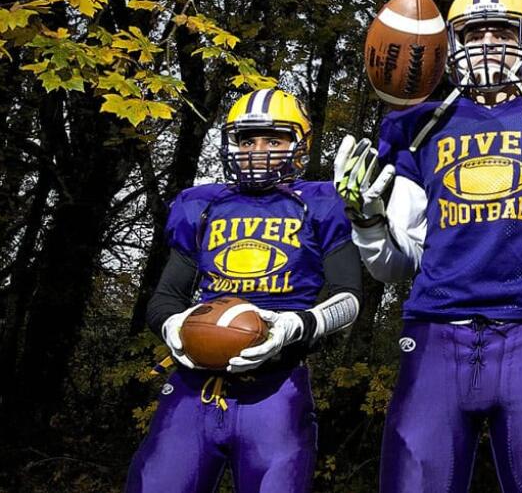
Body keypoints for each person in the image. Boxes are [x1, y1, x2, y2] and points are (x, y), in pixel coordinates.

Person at [334, 0, 522, 493]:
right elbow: (397, 263)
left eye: (502, 30)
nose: (489, 42)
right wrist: (366, 222)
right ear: (450, 44)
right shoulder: (422, 125)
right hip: (434, 334)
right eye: (475, 31)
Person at [128, 88, 362, 493]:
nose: (258, 150)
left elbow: (349, 298)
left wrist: (296, 326)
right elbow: (166, 296)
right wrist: (173, 325)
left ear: (300, 146)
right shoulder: (201, 204)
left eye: (274, 139)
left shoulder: (321, 203)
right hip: (191, 386)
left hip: (276, 390)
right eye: (247, 139)